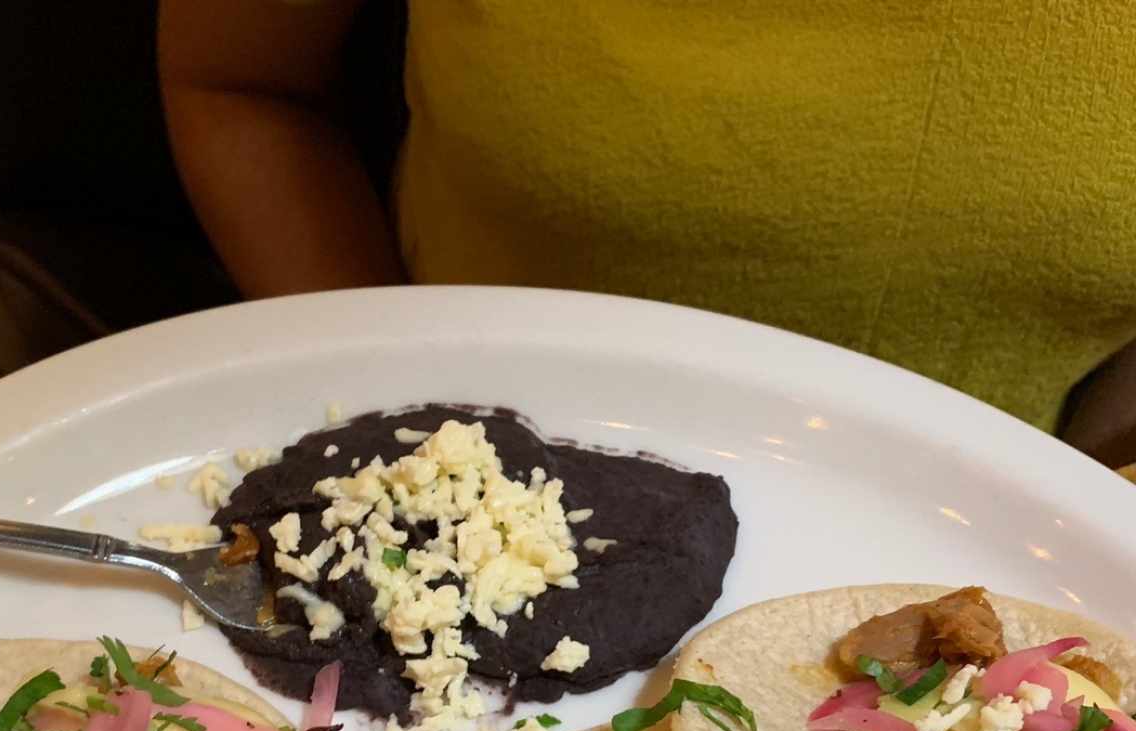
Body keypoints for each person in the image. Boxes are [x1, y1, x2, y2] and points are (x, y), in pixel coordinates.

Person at [158, 0, 1136, 461]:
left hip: (991, 542)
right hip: (451, 456)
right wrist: (387, 405)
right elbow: (238, 85)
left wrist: (1075, 508)